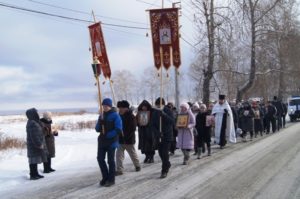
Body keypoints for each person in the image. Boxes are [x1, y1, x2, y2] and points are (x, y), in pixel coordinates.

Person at [95, 98, 122, 187]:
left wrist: (109, 135)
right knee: (100, 159)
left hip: (111, 142)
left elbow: (118, 129)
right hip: (102, 141)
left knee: (110, 161)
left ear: (110, 106)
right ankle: (105, 177)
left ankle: (111, 179)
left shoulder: (115, 116)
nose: (104, 107)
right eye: (103, 106)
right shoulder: (101, 116)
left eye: (106, 106)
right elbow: (97, 129)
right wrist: (100, 123)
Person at [151, 97, 175, 178]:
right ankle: (167, 163)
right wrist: (157, 132)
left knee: (165, 153)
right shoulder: (155, 112)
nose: (158, 107)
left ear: (163, 105)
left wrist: (164, 115)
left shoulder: (168, 111)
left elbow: (172, 121)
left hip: (167, 136)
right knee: (161, 153)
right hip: (159, 136)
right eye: (157, 105)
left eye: (159, 105)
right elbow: (152, 124)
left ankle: (164, 170)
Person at [116, 100, 141, 175]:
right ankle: (119, 170)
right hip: (120, 139)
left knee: (132, 154)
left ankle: (137, 165)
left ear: (126, 108)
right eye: (119, 108)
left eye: (121, 108)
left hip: (129, 139)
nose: (120, 109)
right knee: (118, 155)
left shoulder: (131, 116)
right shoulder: (118, 116)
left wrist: (126, 136)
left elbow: (132, 128)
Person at [26, 108, 47, 180]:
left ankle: (36, 173)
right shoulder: (32, 123)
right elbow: (34, 135)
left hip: (35, 144)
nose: (38, 113)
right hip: (33, 145)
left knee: (35, 160)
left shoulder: (35, 121)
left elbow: (39, 132)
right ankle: (33, 175)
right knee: (33, 160)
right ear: (33, 114)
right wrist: (39, 144)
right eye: (36, 112)